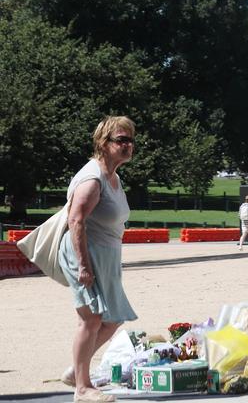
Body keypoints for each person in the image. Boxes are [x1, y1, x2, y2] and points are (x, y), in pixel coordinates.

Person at [59, 116, 137, 403]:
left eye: (130, 140)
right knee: (91, 320)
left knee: (113, 317)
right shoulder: (93, 179)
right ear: (103, 143)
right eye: (121, 140)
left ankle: (75, 371)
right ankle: (82, 388)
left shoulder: (113, 177)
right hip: (85, 254)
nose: (128, 145)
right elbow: (76, 220)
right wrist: (83, 265)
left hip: (106, 255)